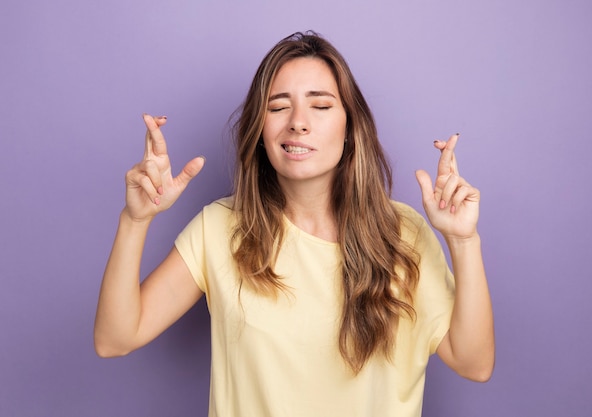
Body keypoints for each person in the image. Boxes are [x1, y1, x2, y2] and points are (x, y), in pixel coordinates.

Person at [94, 31, 494, 416]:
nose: (298, 122)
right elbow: (115, 339)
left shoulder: (405, 234)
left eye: (320, 106)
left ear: (351, 128)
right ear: (260, 131)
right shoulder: (221, 228)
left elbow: (474, 364)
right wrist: (135, 219)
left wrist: (463, 241)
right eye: (278, 106)